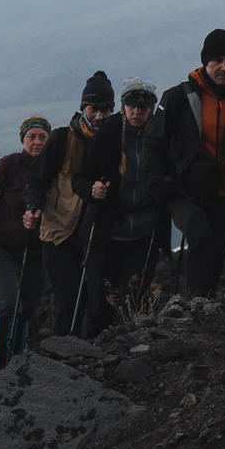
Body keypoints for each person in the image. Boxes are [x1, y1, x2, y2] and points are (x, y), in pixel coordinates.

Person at [162, 30, 225, 297]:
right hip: (186, 192)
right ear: (205, 62)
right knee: (200, 236)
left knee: (218, 251)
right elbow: (155, 144)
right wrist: (161, 185)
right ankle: (195, 305)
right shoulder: (179, 98)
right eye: (217, 60)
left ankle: (206, 305)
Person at [77, 78, 170, 334]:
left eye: (143, 105)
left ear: (151, 107)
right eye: (132, 104)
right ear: (123, 105)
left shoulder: (161, 133)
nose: (137, 110)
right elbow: (80, 179)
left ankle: (132, 355)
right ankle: (89, 353)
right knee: (99, 303)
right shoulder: (107, 134)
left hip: (143, 234)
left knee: (136, 300)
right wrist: (92, 190)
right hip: (106, 233)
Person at [32, 73, 114, 338]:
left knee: (96, 302)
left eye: (106, 109)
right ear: (83, 109)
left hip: (96, 235)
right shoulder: (61, 139)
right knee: (69, 301)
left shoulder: (117, 141)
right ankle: (59, 360)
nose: (100, 116)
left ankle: (85, 359)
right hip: (59, 234)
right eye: (94, 109)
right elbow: (35, 179)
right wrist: (32, 207)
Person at [0, 117, 51, 368]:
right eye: (32, 137)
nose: (37, 142)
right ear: (23, 140)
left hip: (39, 251)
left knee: (26, 308)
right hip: (2, 248)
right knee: (7, 303)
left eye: (42, 137)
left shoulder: (55, 168)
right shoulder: (9, 165)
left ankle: (17, 361)